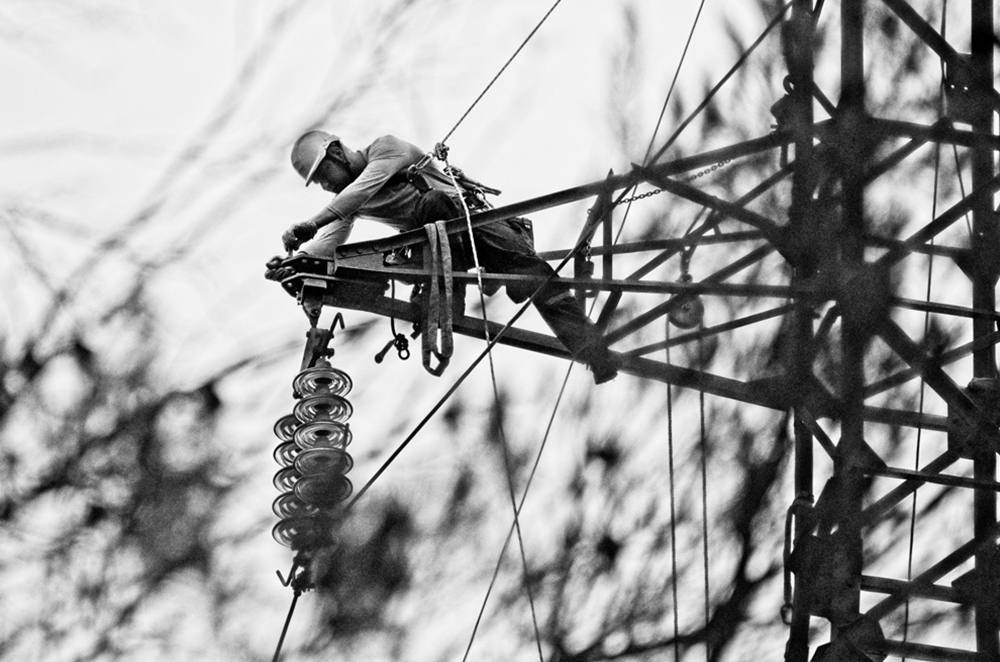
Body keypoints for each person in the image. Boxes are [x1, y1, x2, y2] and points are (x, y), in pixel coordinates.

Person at [267, 131, 617, 384]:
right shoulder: (350, 199)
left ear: (338, 154)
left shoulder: (386, 150)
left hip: (478, 226)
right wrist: (294, 262)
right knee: (421, 234)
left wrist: (310, 223)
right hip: (443, 247)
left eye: (324, 175)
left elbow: (357, 193)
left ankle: (593, 351)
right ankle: (449, 295)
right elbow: (329, 241)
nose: (327, 187)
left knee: (532, 274)